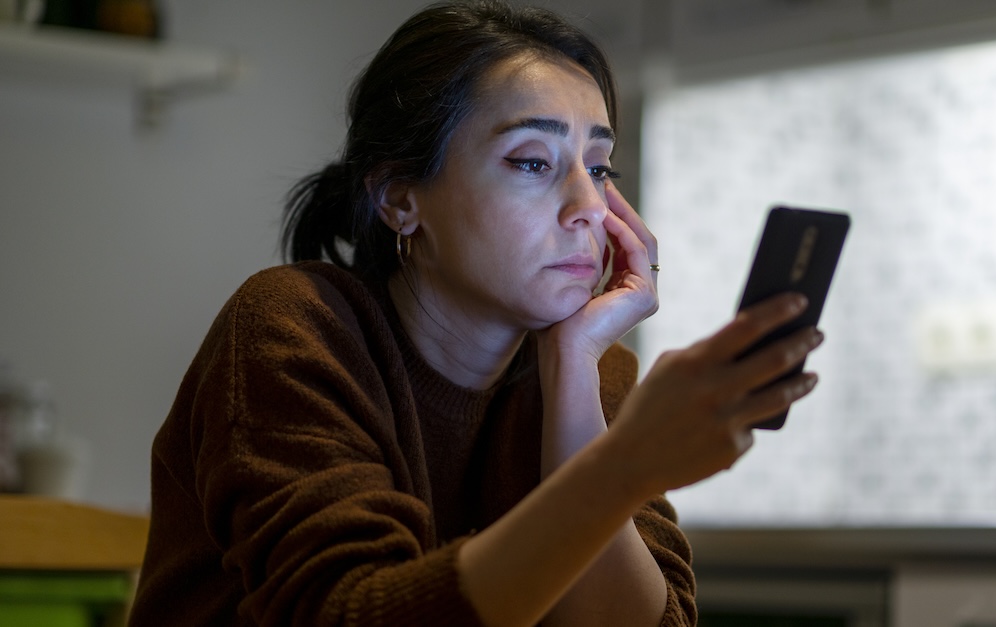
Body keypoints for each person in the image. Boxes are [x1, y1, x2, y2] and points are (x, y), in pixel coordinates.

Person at [129, 1, 824, 626]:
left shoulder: (594, 370)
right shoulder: (296, 325)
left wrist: (573, 371)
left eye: (599, 167)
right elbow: (348, 612)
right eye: (532, 162)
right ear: (399, 197)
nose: (589, 206)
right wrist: (623, 467)